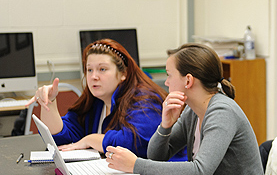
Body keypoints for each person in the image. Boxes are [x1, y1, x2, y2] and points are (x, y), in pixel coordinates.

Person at [104, 43, 267, 175]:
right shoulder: (192, 110)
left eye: (169, 75)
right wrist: (165, 125)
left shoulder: (222, 111)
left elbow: (199, 172)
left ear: (188, 80)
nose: (166, 82)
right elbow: (156, 157)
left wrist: (136, 165)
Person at [27, 39, 171, 158]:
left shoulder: (144, 99)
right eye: (89, 70)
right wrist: (49, 102)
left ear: (123, 74)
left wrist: (90, 139)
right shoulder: (95, 101)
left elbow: (136, 143)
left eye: (102, 69)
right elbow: (61, 139)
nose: (93, 76)